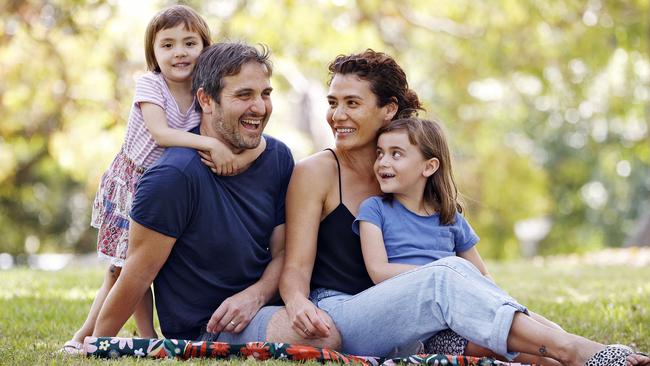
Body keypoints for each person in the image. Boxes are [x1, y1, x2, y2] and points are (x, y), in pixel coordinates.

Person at [279, 49, 650, 366]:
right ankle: (574, 350)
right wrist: (297, 305)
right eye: (333, 103)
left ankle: (573, 348)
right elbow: (295, 267)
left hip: (418, 319)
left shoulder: (402, 173)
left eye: (352, 103)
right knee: (449, 274)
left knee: (479, 302)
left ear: (388, 109)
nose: (336, 116)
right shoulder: (316, 172)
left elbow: (480, 280)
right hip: (344, 314)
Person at [91, 41, 340, 350]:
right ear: (206, 100)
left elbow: (284, 252)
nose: (260, 108)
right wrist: (97, 343)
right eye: (244, 95)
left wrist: (256, 295)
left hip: (269, 301)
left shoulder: (277, 156)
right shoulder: (174, 176)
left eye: (265, 94)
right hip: (210, 324)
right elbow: (137, 275)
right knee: (322, 335)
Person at [61, 6, 263, 354]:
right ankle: (89, 336)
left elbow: (256, 145)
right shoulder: (150, 85)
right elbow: (161, 133)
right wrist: (211, 144)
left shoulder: (205, 93)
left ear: (205, 48)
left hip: (166, 189)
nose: (179, 52)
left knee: (145, 267)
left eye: (189, 43)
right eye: (167, 45)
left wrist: (241, 157)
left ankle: (142, 334)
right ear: (153, 53)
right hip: (133, 182)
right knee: (122, 269)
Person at [354, 116, 565, 365]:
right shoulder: (374, 209)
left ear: (429, 166)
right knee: (524, 353)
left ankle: (574, 347)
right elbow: (379, 271)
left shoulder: (449, 217)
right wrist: (444, 274)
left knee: (542, 329)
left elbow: (482, 277)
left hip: (464, 312)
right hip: (420, 327)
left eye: (396, 154)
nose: (383, 162)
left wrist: (493, 304)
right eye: (380, 153)